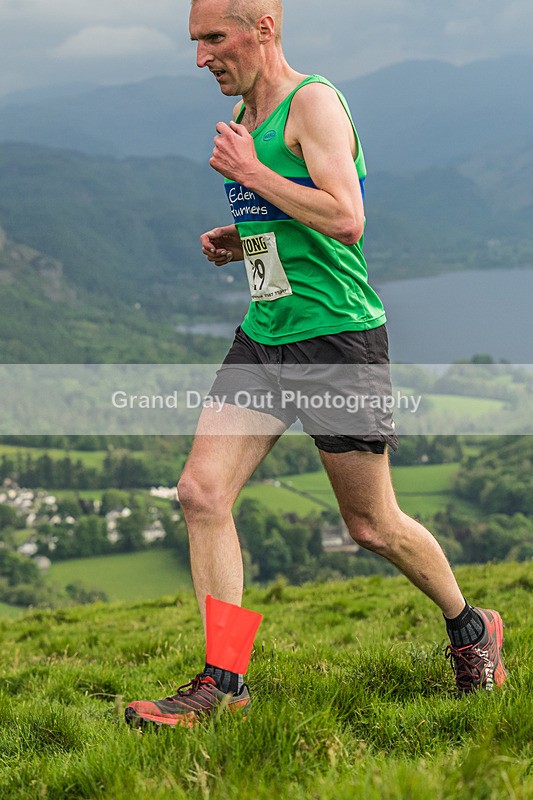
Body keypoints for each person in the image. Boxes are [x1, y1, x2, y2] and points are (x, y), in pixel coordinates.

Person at [125, 0, 506, 728]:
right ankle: (225, 682)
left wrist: (249, 172)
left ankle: (470, 627)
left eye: (213, 38)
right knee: (201, 494)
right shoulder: (244, 116)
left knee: (371, 525)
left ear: (262, 28)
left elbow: (346, 218)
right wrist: (244, 240)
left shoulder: (314, 103)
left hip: (335, 340)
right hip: (266, 334)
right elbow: (294, 226)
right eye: (195, 41)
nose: (201, 57)